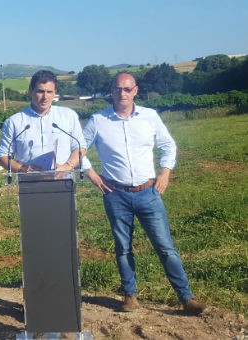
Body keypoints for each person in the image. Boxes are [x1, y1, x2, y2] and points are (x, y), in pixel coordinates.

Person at [82, 72, 206, 315]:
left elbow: (168, 145)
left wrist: (165, 172)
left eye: (127, 89)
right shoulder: (98, 120)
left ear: (135, 90)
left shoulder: (149, 116)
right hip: (115, 194)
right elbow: (78, 149)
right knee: (123, 247)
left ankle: (186, 297)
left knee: (165, 247)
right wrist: (92, 175)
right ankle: (130, 296)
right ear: (112, 90)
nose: (123, 93)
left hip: (148, 192)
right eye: (118, 89)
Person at [0, 70, 84, 174]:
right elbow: (2, 156)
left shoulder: (68, 115)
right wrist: (21, 168)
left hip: (64, 180)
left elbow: (80, 147)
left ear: (55, 92)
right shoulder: (14, 121)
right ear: (30, 91)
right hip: (29, 183)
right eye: (40, 91)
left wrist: (68, 165)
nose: (45, 97)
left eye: (49, 92)